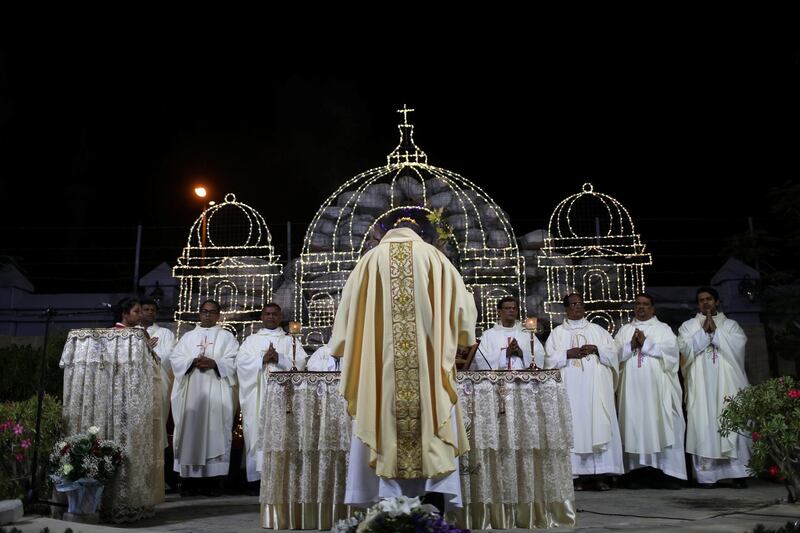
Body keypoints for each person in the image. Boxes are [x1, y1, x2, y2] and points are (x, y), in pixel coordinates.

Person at [330, 215, 477, 512]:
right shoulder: (435, 258)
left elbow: (346, 314)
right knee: (432, 425)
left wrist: (343, 345)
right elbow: (465, 311)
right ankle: (432, 509)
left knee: (381, 420)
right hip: (428, 370)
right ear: (419, 234)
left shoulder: (370, 261)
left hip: (380, 370)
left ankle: (385, 512)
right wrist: (462, 337)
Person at [544, 293, 622, 491]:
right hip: (570, 391)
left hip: (596, 390)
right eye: (573, 304)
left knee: (597, 423)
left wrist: (597, 349)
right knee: (574, 427)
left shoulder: (598, 331)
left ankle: (600, 475)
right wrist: (567, 354)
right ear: (566, 309)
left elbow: (613, 353)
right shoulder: (557, 333)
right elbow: (547, 360)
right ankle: (575, 476)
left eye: (580, 303)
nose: (577, 307)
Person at [678, 287, 750, 488]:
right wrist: (703, 333)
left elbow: (739, 346)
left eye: (709, 299)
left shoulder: (731, 325)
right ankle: (707, 475)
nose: (705, 303)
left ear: (716, 301)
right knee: (704, 424)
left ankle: (738, 473)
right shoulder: (688, 326)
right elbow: (683, 348)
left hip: (728, 384)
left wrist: (716, 333)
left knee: (732, 422)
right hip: (701, 386)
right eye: (701, 300)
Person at [615, 293, 686, 489]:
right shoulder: (625, 330)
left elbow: (672, 354)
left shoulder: (663, 329)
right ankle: (636, 473)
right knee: (634, 426)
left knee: (659, 425)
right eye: (638, 304)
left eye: (645, 304)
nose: (641, 307)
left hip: (657, 391)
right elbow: (614, 356)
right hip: (631, 392)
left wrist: (645, 344)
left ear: (652, 308)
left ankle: (664, 473)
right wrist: (631, 345)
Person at [170, 299, 239, 496]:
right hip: (191, 393)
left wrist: (216, 364)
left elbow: (235, 360)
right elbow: (176, 359)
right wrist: (192, 362)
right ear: (199, 314)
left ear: (218, 315)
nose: (208, 315)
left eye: (212, 312)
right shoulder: (188, 337)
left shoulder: (227, 337)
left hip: (216, 392)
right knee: (190, 433)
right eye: (204, 312)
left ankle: (213, 483)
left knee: (214, 432)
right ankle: (189, 483)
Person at [236, 303, 307, 483]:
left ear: (280, 316)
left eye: (275, 314)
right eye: (267, 314)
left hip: (283, 398)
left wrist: (279, 358)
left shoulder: (290, 340)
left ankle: (280, 478)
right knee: (255, 432)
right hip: (257, 396)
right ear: (262, 316)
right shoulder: (251, 340)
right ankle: (256, 479)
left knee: (282, 433)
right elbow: (240, 364)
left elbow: (300, 363)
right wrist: (262, 359)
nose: (271, 317)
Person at [140, 298, 176, 451]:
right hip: (137, 380)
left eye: (152, 310)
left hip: (159, 381)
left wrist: (149, 351)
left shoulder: (165, 333)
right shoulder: (132, 333)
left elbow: (170, 356)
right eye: (146, 309)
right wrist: (144, 349)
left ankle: (157, 454)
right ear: (139, 311)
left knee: (157, 416)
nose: (149, 312)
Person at [470, 296, 544, 370]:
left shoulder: (527, 334)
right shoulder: (488, 335)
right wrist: (505, 353)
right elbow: (479, 358)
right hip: (497, 379)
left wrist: (522, 353)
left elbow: (540, 354)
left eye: (514, 308)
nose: (512, 310)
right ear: (499, 312)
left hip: (524, 378)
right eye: (507, 308)